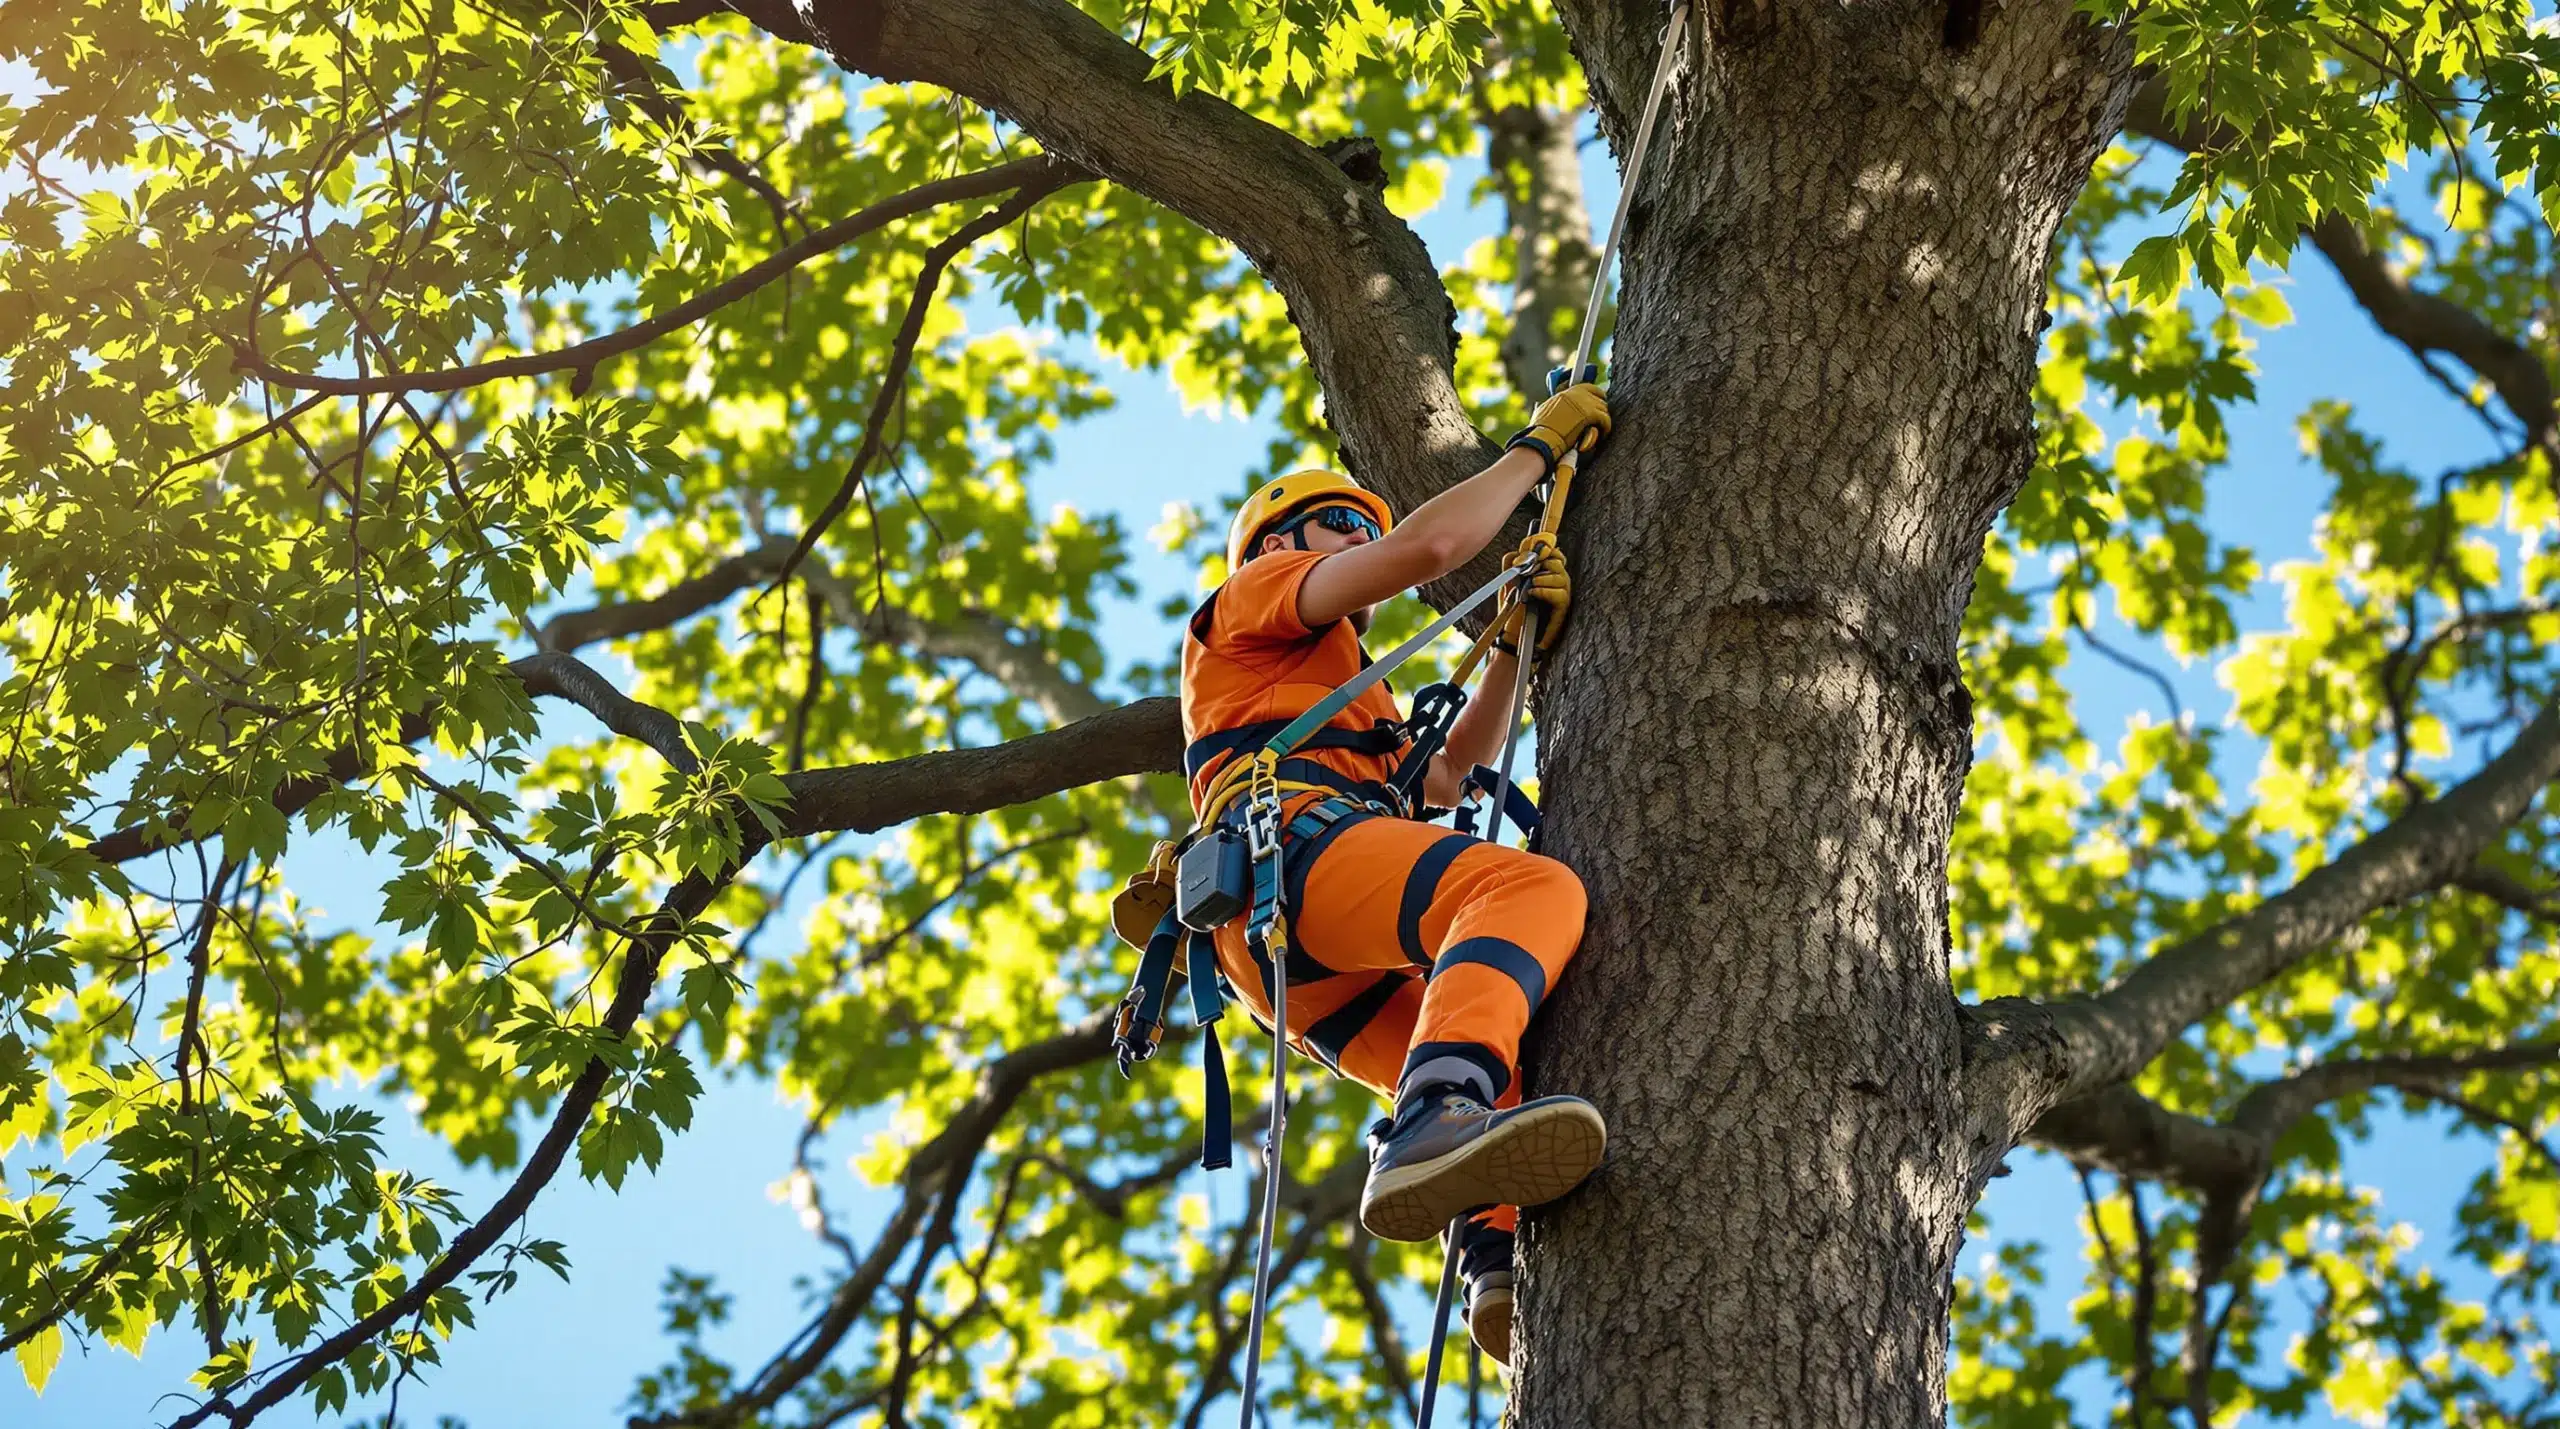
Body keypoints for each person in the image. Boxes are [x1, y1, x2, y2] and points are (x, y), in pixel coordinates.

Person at [1177, 383, 1613, 1369]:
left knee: (1503, 1030)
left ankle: (1492, 1256)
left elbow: (1450, 772)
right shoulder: (1250, 604)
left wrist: (1510, 647)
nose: (1351, 540)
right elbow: (1426, 549)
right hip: (1290, 855)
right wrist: (1530, 455)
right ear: (1274, 542)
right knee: (1526, 893)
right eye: (1334, 523)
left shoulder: (1344, 690)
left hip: (1292, 928)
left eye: (1356, 524)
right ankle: (1429, 1118)